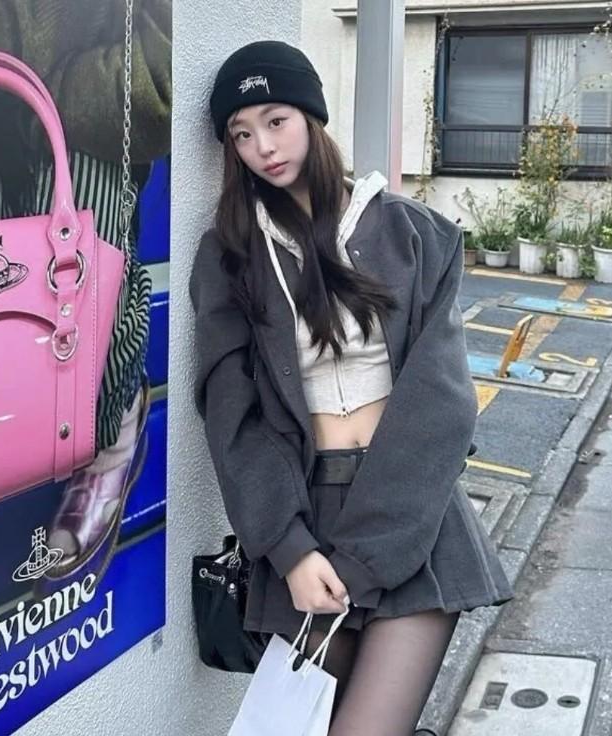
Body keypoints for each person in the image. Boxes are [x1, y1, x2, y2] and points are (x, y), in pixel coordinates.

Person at [189, 41, 514, 735]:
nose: (262, 147)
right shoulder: (230, 256)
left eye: (276, 121)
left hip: (409, 518)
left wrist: (368, 556)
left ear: (312, 117)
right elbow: (231, 413)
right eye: (240, 134)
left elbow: (440, 406)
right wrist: (289, 548)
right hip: (303, 520)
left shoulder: (412, 233)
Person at [0, 0, 171, 584]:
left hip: (84, 143)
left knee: (81, 268)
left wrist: (39, 85)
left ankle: (112, 422)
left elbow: (158, 81)